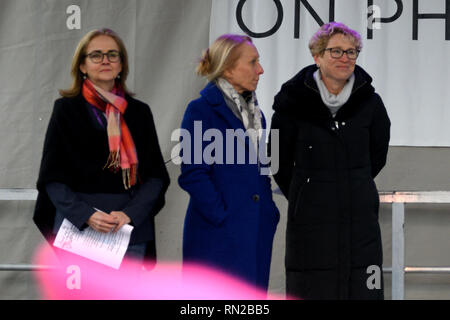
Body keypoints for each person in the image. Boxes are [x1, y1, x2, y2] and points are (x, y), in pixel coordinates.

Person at [269, 22, 390, 299]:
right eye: (336, 51)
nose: (345, 58)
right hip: (310, 222)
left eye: (351, 52)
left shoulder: (371, 103)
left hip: (360, 222)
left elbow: (377, 156)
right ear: (317, 56)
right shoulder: (290, 103)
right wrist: (307, 190)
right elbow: (277, 160)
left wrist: (352, 184)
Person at [33, 28, 170, 265]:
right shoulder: (66, 110)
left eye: (112, 54)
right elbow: (52, 177)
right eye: (96, 55)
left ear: (121, 65)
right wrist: (87, 215)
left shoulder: (139, 112)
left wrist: (130, 215)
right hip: (79, 227)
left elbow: (156, 176)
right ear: (82, 66)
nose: (105, 60)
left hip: (129, 230)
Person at [178, 34, 280, 291]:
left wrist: (268, 212)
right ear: (227, 68)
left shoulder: (258, 115)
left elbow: (261, 170)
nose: (261, 70)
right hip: (217, 235)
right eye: (253, 62)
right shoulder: (200, 110)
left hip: (255, 231)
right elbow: (193, 173)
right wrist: (223, 216)